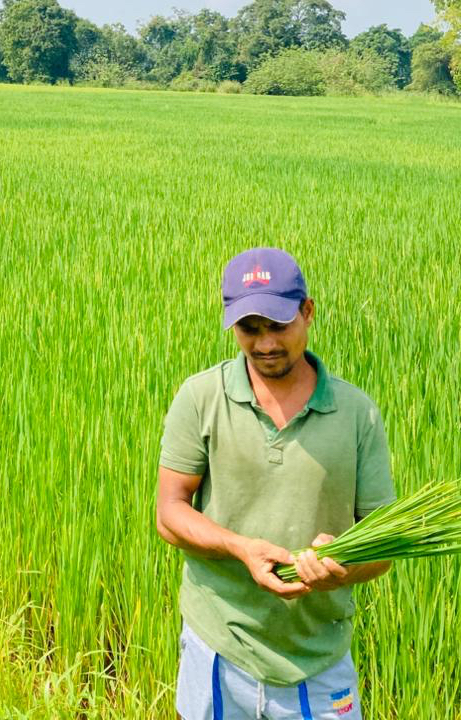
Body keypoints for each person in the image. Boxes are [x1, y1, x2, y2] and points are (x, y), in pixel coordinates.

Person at [156, 248, 396, 720]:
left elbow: (382, 544)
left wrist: (343, 566)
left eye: (279, 325)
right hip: (219, 644)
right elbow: (170, 513)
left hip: (317, 655)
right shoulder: (201, 398)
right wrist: (241, 548)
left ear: (308, 312)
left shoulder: (357, 414)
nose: (265, 343)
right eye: (250, 328)